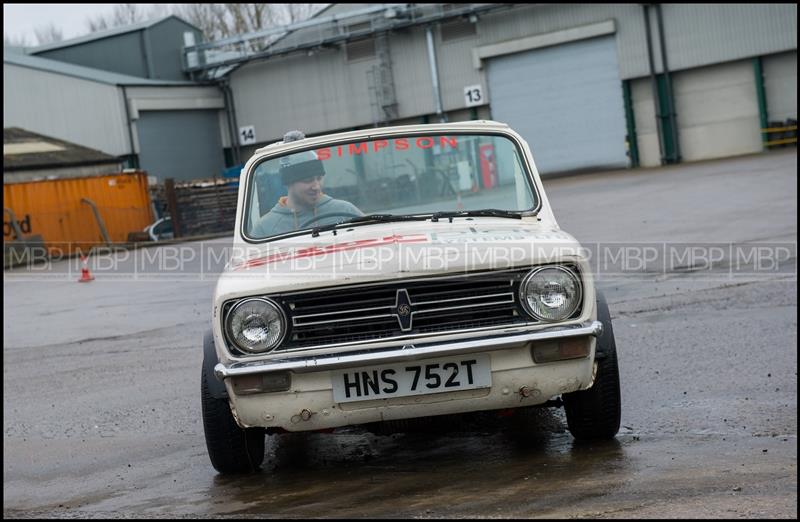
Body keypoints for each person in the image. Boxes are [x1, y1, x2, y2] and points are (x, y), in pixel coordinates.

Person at [252, 131, 363, 237]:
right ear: (288, 182)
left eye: (319, 178)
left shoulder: (345, 212)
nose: (316, 186)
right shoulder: (264, 229)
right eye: (308, 180)